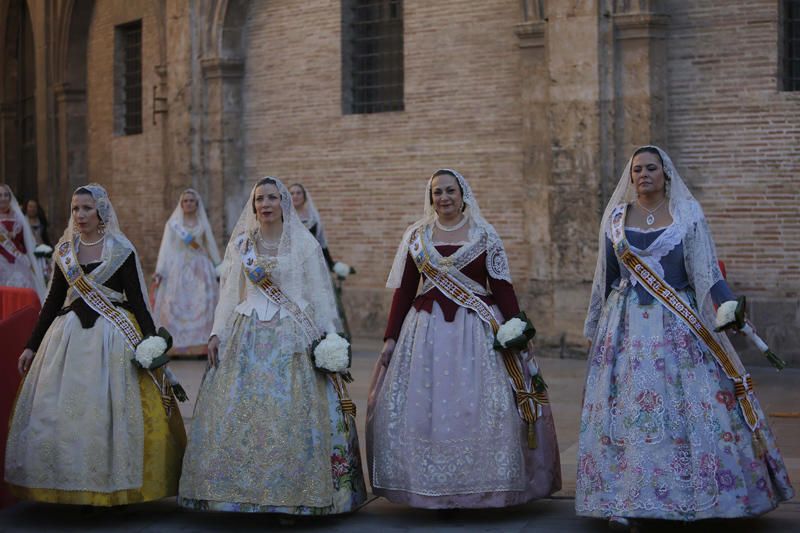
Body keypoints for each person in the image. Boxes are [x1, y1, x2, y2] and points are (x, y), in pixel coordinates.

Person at [577, 146, 794, 529]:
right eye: (637, 169)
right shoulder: (615, 218)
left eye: (651, 168)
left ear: (666, 173)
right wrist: (595, 327)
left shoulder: (688, 215)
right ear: (631, 178)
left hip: (678, 326)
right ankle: (626, 499)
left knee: (688, 408)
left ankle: (695, 495)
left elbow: (707, 273)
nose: (644, 174)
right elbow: (607, 277)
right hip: (625, 328)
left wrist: (730, 311)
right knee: (630, 412)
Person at [367, 169, 561, 509]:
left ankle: (481, 489)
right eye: (437, 192)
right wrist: (390, 338)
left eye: (450, 191)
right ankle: (429, 487)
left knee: (479, 404)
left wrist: (517, 327)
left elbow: (501, 286)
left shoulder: (484, 234)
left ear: (463, 194)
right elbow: (404, 291)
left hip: (476, 332)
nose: (443, 198)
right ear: (431, 198)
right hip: (425, 332)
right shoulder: (417, 236)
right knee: (425, 405)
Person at [179, 177, 367, 514]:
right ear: (253, 206)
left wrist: (330, 335)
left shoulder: (304, 245)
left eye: (271, 198)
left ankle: (296, 499)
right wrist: (216, 333)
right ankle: (236, 495)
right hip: (246, 332)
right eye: (259, 199)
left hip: (293, 336)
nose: (265, 204)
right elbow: (228, 294)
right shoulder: (241, 246)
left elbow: (319, 295)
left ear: (284, 203)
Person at [5, 183, 186, 506]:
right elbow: (52, 302)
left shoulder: (120, 249)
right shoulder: (65, 251)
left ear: (101, 211)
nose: (80, 214)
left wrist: (152, 343)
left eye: (87, 208)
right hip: (69, 338)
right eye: (75, 208)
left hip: (114, 339)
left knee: (112, 414)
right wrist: (32, 345)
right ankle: (70, 486)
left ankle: (114, 488)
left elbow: (139, 303)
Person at [153, 189, 221, 355]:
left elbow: (210, 245)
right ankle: (175, 347)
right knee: (175, 305)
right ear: (181, 204)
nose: (189, 203)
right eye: (186, 201)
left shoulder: (202, 224)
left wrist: (219, 267)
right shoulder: (173, 225)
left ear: (197, 204)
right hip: (178, 269)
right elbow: (165, 248)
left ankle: (201, 346)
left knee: (202, 304)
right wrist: (160, 269)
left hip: (200, 269)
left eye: (192, 201)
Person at [290, 182, 354, 337]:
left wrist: (331, 264)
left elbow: (322, 243)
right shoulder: (286, 217)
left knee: (317, 298)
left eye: (298, 193)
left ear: (304, 196)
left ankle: (322, 332)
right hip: (293, 265)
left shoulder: (313, 217)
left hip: (313, 264)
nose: (295, 196)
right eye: (291, 193)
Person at [0, 184, 46, 300]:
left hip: (18, 261)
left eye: (6, 195)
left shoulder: (19, 217)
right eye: (0, 195)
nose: (3, 198)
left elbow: (27, 241)